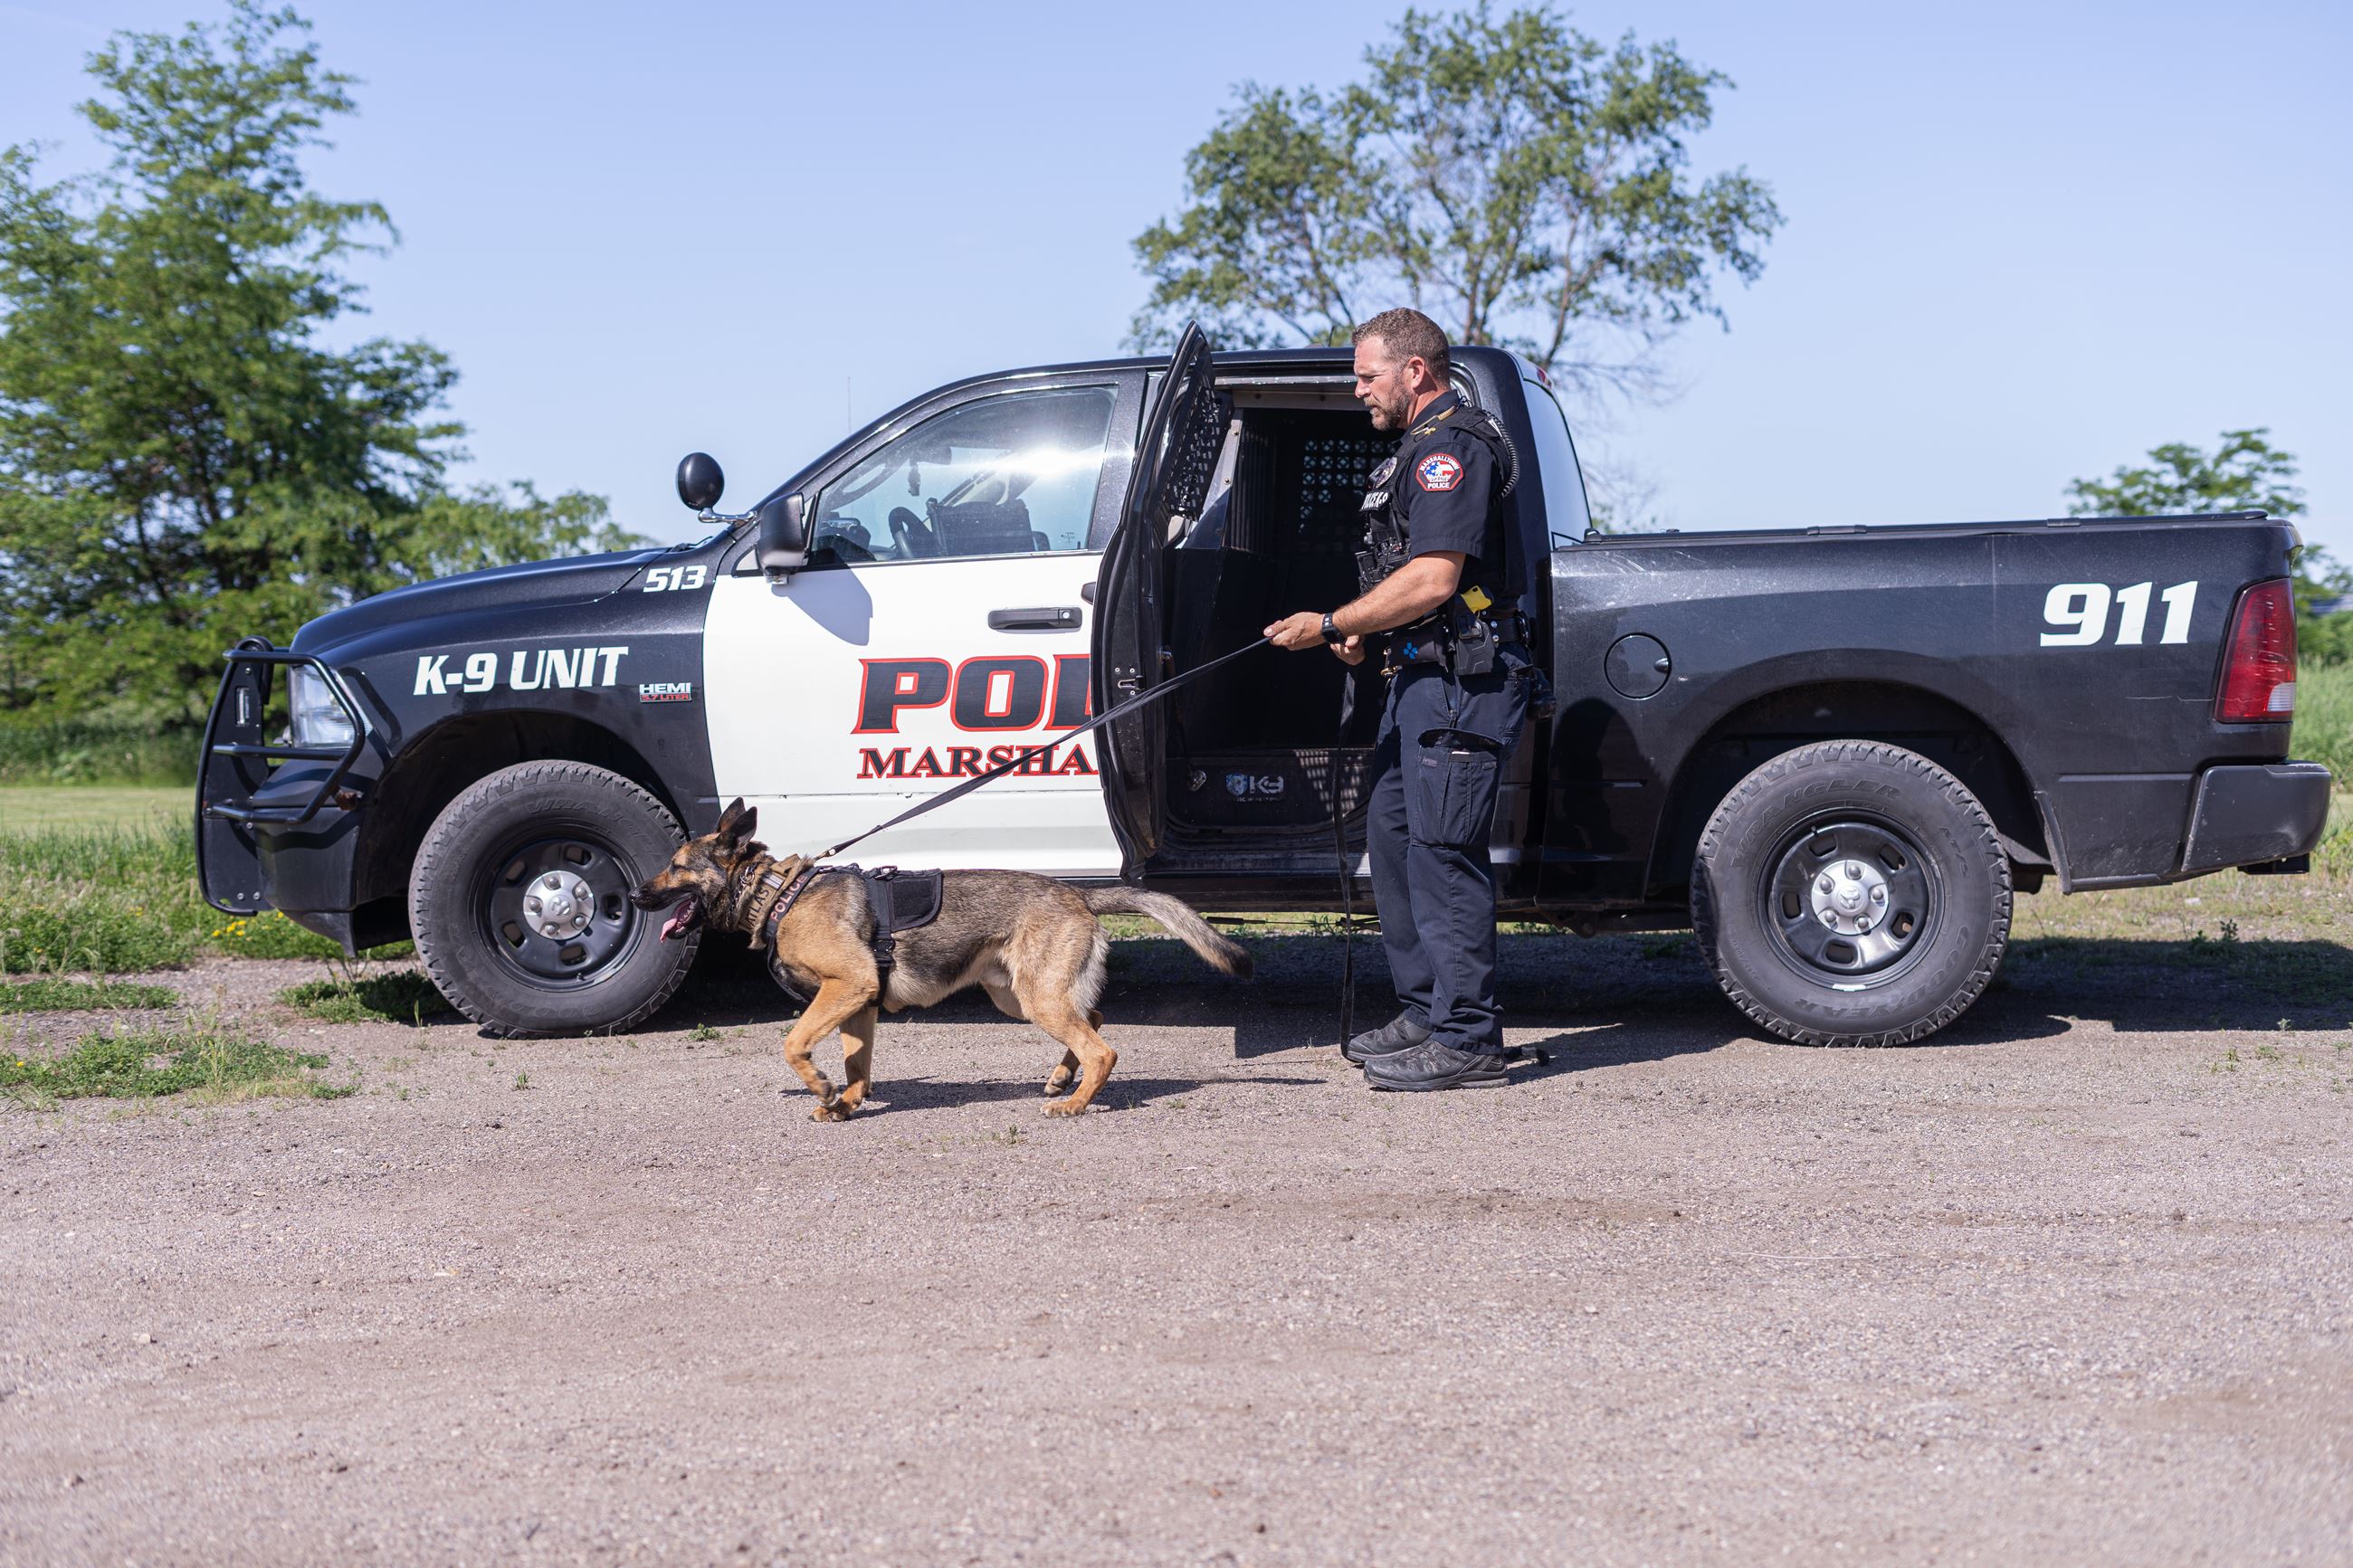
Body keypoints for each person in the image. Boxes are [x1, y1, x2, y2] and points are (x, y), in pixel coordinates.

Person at [1264, 309, 1536, 1091]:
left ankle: (1469, 1039)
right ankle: (1426, 1011)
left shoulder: (1451, 448)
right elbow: (1408, 585)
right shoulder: (1418, 448)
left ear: (1415, 371)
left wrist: (1331, 624)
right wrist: (1365, 634)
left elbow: (1435, 578)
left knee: (1445, 855)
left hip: (1462, 682)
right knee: (1393, 839)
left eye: (1367, 375)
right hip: (1418, 676)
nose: (1358, 391)